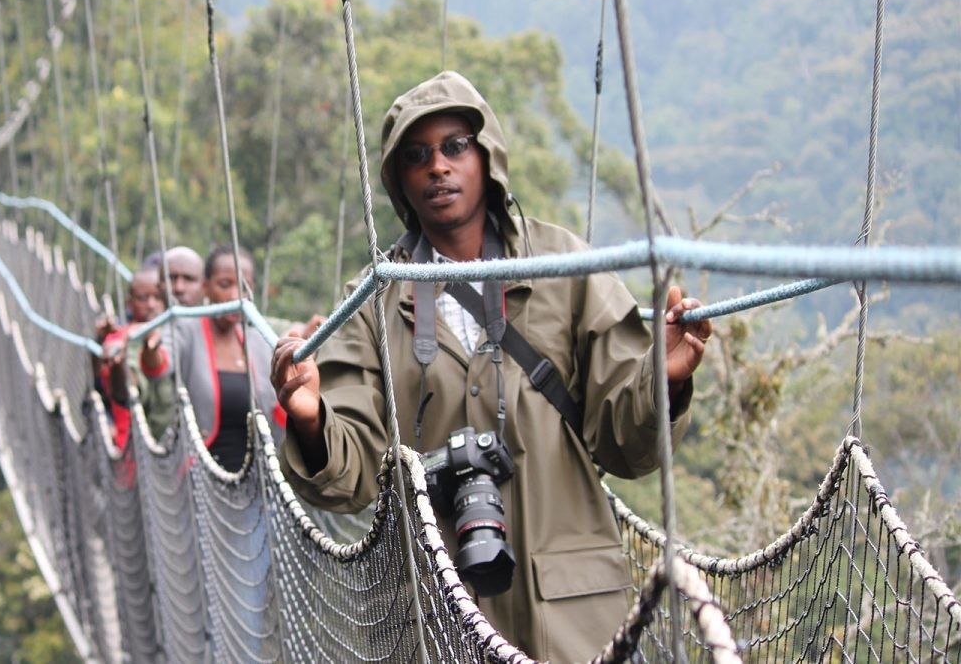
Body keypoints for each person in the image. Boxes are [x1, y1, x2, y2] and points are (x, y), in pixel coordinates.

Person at [269, 71, 713, 662]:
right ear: (400, 179)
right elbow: (350, 477)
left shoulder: (566, 268)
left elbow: (625, 444)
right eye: (415, 155)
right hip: (433, 619)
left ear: (487, 158)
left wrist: (667, 377)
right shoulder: (373, 301)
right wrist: (310, 418)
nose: (437, 167)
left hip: (569, 616)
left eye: (455, 146)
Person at [169, 245, 285, 471]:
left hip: (257, 482)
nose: (235, 296)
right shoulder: (185, 330)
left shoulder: (259, 342)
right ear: (206, 287)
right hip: (201, 480)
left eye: (244, 287)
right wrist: (151, 351)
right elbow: (160, 362)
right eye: (225, 285)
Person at [95, 267, 170, 486]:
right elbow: (112, 391)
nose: (151, 304)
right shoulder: (117, 339)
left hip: (174, 458)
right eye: (143, 298)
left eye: (158, 297)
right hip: (129, 454)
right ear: (129, 303)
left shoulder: (178, 335)